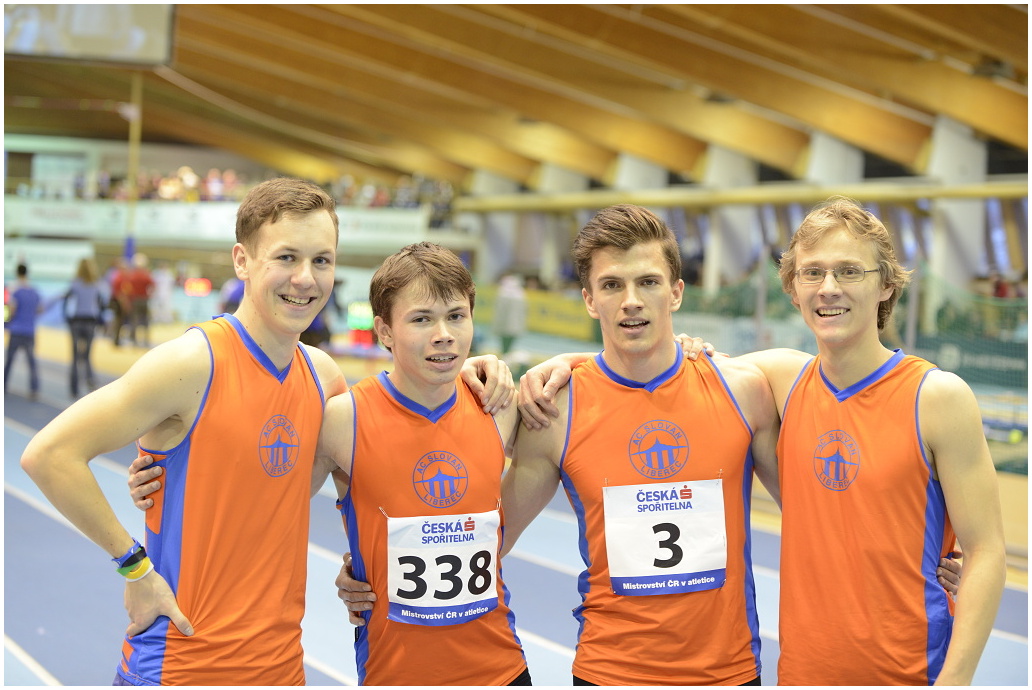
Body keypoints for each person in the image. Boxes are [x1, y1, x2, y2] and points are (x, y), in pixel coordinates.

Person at [22, 178, 516, 686]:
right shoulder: (192, 363)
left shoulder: (323, 379)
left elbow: (393, 424)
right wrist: (135, 569)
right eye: (286, 258)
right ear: (242, 261)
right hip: (181, 667)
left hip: (280, 668)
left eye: (321, 260)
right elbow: (50, 455)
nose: (305, 278)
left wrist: (468, 369)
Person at [519, 199, 1001, 685]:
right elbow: (646, 362)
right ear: (793, 288)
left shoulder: (936, 397)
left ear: (887, 284)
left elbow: (987, 551)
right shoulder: (780, 379)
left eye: (849, 271)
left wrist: (955, 681)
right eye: (812, 273)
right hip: (799, 673)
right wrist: (566, 364)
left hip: (910, 671)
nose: (829, 288)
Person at [318, 242, 529, 685]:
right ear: (384, 330)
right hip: (395, 672)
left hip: (501, 669)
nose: (444, 334)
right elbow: (268, 506)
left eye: (456, 316)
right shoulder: (344, 420)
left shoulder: (499, 405)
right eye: (421, 319)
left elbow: (601, 379)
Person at [63, 257, 106, 397]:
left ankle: (74, 388)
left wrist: (66, 317)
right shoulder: (96, 284)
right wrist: (100, 319)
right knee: (87, 356)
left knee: (75, 356)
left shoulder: (75, 283)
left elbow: (66, 300)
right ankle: (90, 383)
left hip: (77, 321)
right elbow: (101, 304)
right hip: (90, 321)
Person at [4, 262, 44, 399]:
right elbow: (40, 309)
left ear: (17, 273)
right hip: (29, 331)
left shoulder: (15, 290)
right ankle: (34, 389)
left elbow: (11, 310)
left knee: (9, 361)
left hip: (16, 330)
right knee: (31, 362)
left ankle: (3, 386)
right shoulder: (34, 291)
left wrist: (6, 322)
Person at [493, 272, 528, 357]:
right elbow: (524, 310)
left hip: (505, 323)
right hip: (515, 324)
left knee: (504, 342)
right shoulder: (521, 294)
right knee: (509, 341)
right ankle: (506, 354)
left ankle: (505, 354)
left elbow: (499, 310)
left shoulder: (502, 293)